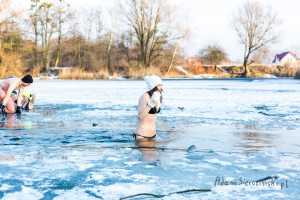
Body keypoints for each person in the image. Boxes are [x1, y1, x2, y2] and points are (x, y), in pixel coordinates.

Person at [133, 75, 163, 140]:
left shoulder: (156, 96)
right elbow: (140, 116)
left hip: (153, 136)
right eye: (158, 85)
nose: (160, 87)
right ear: (153, 86)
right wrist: (150, 104)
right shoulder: (144, 97)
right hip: (142, 136)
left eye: (161, 85)